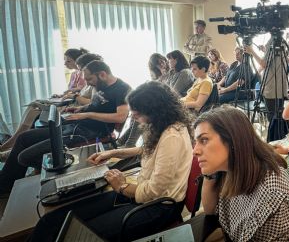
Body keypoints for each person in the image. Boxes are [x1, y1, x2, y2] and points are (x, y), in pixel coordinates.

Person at [29, 81, 193, 241]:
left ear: (156, 110)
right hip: (142, 194)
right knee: (53, 220)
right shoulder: (161, 125)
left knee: (78, 232)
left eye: (138, 112)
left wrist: (121, 186)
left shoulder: (172, 136)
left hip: (159, 206)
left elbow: (154, 191)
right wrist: (113, 152)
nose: (133, 116)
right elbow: (149, 151)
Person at [0, 61, 131, 195]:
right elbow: (95, 105)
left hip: (90, 132)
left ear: (102, 74)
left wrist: (87, 114)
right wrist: (80, 109)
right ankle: (6, 183)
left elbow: (120, 117)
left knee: (24, 157)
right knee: (24, 137)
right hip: (77, 125)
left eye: (89, 79)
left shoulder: (122, 89)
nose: (88, 83)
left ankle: (54, 174)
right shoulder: (100, 85)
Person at [196, 107, 289, 241]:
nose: (195, 151)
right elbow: (210, 211)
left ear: (232, 140)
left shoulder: (273, 197)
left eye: (204, 140)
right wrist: (209, 173)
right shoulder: (229, 169)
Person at [0, 49, 93, 159]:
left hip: (71, 109)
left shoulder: (91, 82)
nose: (65, 64)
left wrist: (74, 97)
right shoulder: (81, 78)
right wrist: (64, 96)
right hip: (70, 106)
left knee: (35, 114)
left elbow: (87, 101)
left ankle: (12, 144)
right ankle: (14, 142)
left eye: (68, 61)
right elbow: (78, 95)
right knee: (33, 107)